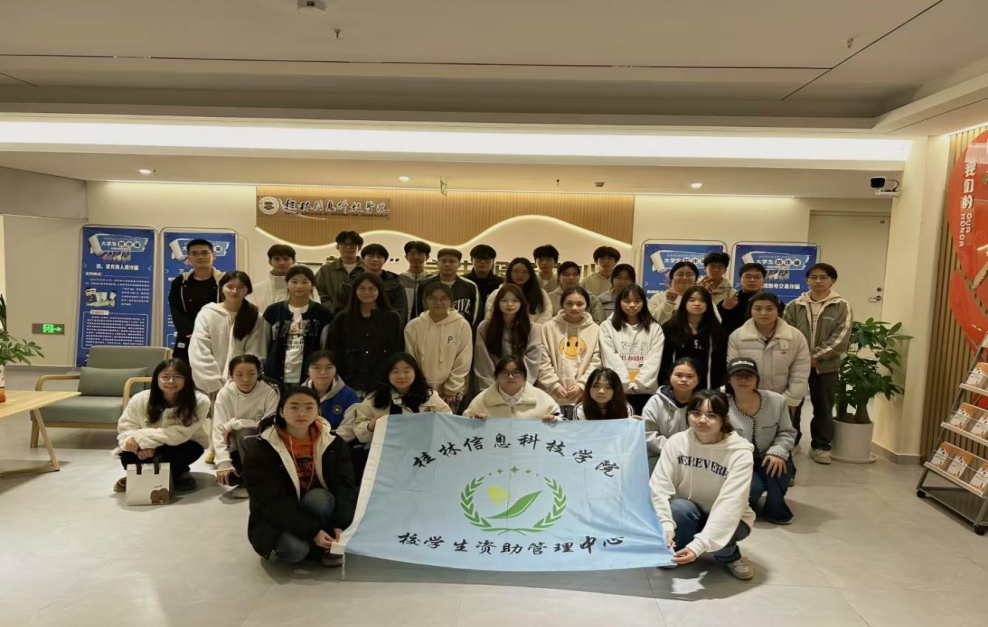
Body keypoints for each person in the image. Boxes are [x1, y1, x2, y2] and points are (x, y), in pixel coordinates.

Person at [242, 386, 357, 567]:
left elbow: (345, 485)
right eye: (294, 407)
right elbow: (270, 501)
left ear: (318, 411)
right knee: (295, 551)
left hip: (317, 505)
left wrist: (341, 525)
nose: (301, 413)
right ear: (281, 411)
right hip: (281, 512)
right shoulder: (262, 448)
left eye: (309, 407)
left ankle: (325, 541)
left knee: (319, 497)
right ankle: (318, 545)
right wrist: (312, 532)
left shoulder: (333, 443)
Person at [649, 389, 756, 580]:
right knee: (679, 508)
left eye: (711, 415)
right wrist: (665, 525)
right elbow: (658, 486)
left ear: (724, 419)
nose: (702, 420)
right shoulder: (676, 442)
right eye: (696, 413)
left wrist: (699, 546)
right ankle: (679, 547)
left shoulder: (740, 453)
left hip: (732, 517)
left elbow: (731, 504)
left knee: (724, 532)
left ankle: (730, 555)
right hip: (690, 511)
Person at [782, 263, 853, 464]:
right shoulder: (794, 305)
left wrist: (816, 357)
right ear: (807, 280)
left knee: (823, 407)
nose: (818, 281)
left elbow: (841, 338)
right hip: (796, 365)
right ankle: (791, 443)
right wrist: (803, 359)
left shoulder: (842, 306)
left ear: (832, 281)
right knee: (792, 404)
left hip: (826, 366)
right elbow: (786, 334)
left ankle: (820, 447)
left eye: (823, 277)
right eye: (813, 277)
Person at [112, 358, 211, 494]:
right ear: (156, 379)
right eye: (165, 377)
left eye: (177, 377)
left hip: (182, 443)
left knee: (185, 453)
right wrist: (140, 447)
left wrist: (142, 439)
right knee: (127, 455)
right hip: (145, 447)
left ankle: (153, 475)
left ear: (187, 379)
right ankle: (169, 474)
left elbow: (180, 433)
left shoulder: (199, 401)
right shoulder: (140, 398)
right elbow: (126, 426)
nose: (171, 381)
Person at [725, 357, 796, 525]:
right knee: (753, 488)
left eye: (749, 375)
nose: (743, 380)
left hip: (768, 456)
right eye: (738, 375)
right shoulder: (720, 401)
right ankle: (747, 503)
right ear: (729, 379)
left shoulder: (777, 401)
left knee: (779, 468)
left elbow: (787, 432)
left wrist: (777, 452)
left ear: (757, 379)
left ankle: (775, 507)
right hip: (737, 460)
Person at [728, 291, 811, 414]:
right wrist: (744, 397)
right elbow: (733, 370)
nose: (763, 313)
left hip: (784, 400)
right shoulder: (737, 336)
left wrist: (790, 399)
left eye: (769, 309)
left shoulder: (795, 336)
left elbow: (800, 372)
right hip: (748, 400)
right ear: (750, 310)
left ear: (778, 311)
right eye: (757, 308)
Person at [189, 271, 267, 398]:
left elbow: (255, 352)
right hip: (209, 388)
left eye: (240, 287)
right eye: (230, 286)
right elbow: (199, 350)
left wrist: (238, 382)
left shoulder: (256, 317)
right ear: (222, 288)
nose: (234, 291)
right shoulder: (207, 314)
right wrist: (211, 382)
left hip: (243, 386)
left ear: (248, 290)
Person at [212, 355, 280, 498]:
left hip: (262, 444)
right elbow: (218, 429)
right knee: (229, 478)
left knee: (244, 433)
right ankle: (246, 476)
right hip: (234, 447)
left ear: (259, 373)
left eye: (251, 374)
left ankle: (254, 484)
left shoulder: (270, 391)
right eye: (239, 374)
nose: (245, 379)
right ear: (231, 375)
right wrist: (223, 462)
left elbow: (269, 424)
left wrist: (234, 423)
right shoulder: (224, 394)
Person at [327, 272, 404, 396]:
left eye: (371, 289)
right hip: (349, 383)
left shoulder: (392, 318)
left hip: (382, 383)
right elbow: (334, 351)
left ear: (379, 291)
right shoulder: (343, 318)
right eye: (361, 288)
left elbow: (398, 350)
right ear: (354, 291)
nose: (366, 292)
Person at [348, 353, 452, 445]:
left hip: (423, 446)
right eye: (395, 372)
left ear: (415, 373)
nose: (401, 376)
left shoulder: (429, 396)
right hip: (386, 448)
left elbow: (448, 421)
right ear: (387, 374)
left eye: (407, 371)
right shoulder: (375, 398)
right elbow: (360, 433)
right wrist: (371, 426)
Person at [405, 283, 473, 410]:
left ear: (451, 302)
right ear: (425, 301)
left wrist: (452, 388)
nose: (438, 302)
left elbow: (463, 360)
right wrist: (421, 387)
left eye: (444, 298)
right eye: (433, 298)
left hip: (450, 394)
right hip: (419, 391)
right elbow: (410, 358)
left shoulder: (462, 325)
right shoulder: (413, 326)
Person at [263, 265, 333, 386]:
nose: (299, 286)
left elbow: (325, 347)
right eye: (294, 282)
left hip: (309, 377)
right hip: (275, 375)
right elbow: (264, 344)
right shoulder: (273, 311)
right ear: (287, 283)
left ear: (312, 285)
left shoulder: (323, 314)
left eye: (305, 282)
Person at [537, 286, 602, 416]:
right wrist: (554, 384)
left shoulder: (595, 329)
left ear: (587, 306)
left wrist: (582, 385)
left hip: (583, 395)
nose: (574, 308)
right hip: (551, 394)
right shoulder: (547, 328)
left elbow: (597, 361)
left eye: (580, 304)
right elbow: (542, 360)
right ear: (562, 304)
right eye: (569, 303)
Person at [599, 284, 663, 414]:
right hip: (617, 389)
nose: (632, 305)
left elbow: (654, 359)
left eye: (637, 301)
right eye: (627, 301)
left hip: (645, 390)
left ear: (644, 302)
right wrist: (625, 383)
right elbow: (610, 357)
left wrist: (639, 383)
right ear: (619, 302)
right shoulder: (607, 326)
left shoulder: (654, 327)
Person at [474, 284, 542, 391]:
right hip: (492, 387)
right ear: (498, 303)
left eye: (515, 300)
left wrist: (519, 385)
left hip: (522, 388)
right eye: (504, 300)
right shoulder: (485, 327)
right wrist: (492, 388)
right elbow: (482, 361)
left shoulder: (532, 328)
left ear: (521, 303)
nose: (510, 304)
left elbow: (532, 360)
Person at [659, 286, 728, 389]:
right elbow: (664, 361)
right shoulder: (670, 328)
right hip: (676, 387)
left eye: (702, 300)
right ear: (684, 302)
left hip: (707, 388)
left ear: (708, 304)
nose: (697, 304)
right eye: (692, 300)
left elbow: (720, 362)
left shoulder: (717, 330)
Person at [168, 238, 222, 365]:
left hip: (217, 338)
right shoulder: (180, 282)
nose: (200, 257)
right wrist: (191, 333)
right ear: (189, 258)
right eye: (194, 253)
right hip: (188, 337)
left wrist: (210, 334)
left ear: (214, 256)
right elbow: (176, 310)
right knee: (182, 371)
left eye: (204, 253)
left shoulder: (224, 281)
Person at [642, 357, 701, 471]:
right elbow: (648, 434)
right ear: (670, 376)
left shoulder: (702, 403)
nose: (684, 379)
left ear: (698, 380)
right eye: (678, 375)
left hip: (693, 459)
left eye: (690, 376)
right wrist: (674, 450)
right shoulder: (655, 401)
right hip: (658, 457)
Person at [464, 356, 561, 420]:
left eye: (516, 373)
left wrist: (553, 419)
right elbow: (465, 423)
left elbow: (559, 418)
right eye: (504, 372)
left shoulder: (540, 397)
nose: (510, 377)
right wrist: (474, 420)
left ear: (525, 377)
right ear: (496, 377)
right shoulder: (483, 399)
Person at [413, 248, 480, 325]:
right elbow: (417, 313)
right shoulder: (424, 285)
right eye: (443, 261)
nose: (447, 264)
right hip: (429, 329)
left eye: (452, 261)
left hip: (460, 330)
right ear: (437, 263)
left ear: (459, 264)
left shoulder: (470, 286)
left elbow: (476, 317)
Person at [247, 244, 319, 314]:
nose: (281, 263)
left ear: (293, 261)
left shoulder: (308, 288)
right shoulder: (257, 289)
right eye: (277, 259)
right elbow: (251, 314)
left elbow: (316, 311)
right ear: (270, 262)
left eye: (286, 259)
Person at [302, 350, 360, 435]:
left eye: (329, 367)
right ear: (308, 371)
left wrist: (325, 440)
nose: (323, 372)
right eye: (317, 367)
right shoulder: (297, 395)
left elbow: (349, 429)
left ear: (336, 370)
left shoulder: (349, 395)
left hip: (337, 441)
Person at [484, 257, 552, 323]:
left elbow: (547, 312)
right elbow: (489, 313)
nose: (520, 275)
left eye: (525, 272)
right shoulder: (498, 293)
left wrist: (535, 326)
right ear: (510, 273)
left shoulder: (540, 293)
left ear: (530, 274)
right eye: (515, 271)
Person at [353, 243, 408, 323]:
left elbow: (400, 309)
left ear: (385, 260)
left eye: (379, 257)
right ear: (363, 259)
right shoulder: (352, 280)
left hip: (386, 325)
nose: (375, 260)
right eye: (371, 256)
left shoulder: (395, 282)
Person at [718, 262, 775, 337]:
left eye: (757, 277)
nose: (752, 280)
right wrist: (724, 309)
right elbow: (717, 326)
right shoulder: (730, 301)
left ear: (764, 281)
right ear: (740, 280)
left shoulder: (773, 302)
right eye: (747, 277)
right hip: (734, 341)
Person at [315, 230, 363, 313]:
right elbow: (318, 292)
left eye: (352, 245)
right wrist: (332, 309)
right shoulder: (326, 269)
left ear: (359, 247)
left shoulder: (366, 269)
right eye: (344, 244)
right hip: (332, 315)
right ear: (337, 246)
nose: (348, 248)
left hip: (361, 315)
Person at [648, 260, 699, 325]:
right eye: (680, 274)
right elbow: (651, 323)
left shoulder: (701, 299)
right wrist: (668, 302)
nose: (684, 278)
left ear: (696, 278)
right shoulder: (658, 297)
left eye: (689, 275)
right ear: (672, 277)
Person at [399, 240, 435, 323]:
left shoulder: (432, 279)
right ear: (406, 256)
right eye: (412, 254)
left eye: (420, 254)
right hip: (403, 322)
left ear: (427, 257)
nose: (416, 257)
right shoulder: (399, 279)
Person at [466, 244, 504, 316]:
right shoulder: (463, 281)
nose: (482, 262)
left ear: (493, 261)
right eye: (479, 259)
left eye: (487, 259)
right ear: (471, 260)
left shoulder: (501, 283)